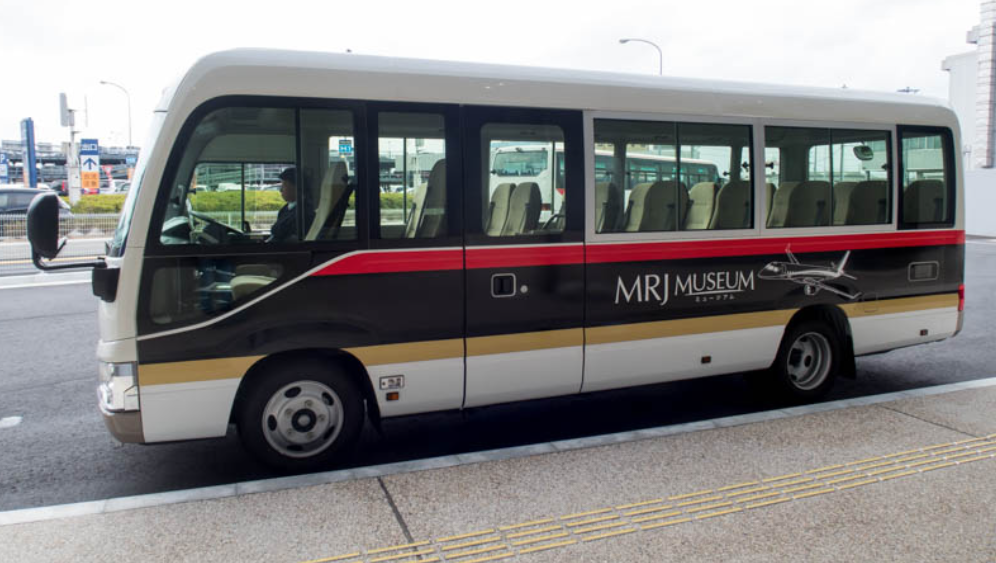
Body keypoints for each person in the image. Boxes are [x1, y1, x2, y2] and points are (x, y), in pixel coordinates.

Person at [269, 167, 314, 243]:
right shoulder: (285, 209)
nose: (280, 190)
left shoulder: (305, 213)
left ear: (296, 187)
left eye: (284, 185)